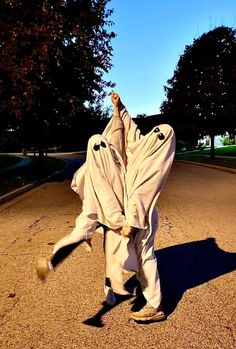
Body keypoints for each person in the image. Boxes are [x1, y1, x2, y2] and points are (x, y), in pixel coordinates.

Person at [36, 92, 176, 322]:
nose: (154, 136)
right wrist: (117, 109)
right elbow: (125, 135)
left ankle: (154, 304)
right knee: (111, 250)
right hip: (116, 214)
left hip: (140, 215)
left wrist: (129, 221)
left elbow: (144, 191)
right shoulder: (118, 159)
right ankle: (118, 289)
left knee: (143, 254)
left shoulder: (152, 162)